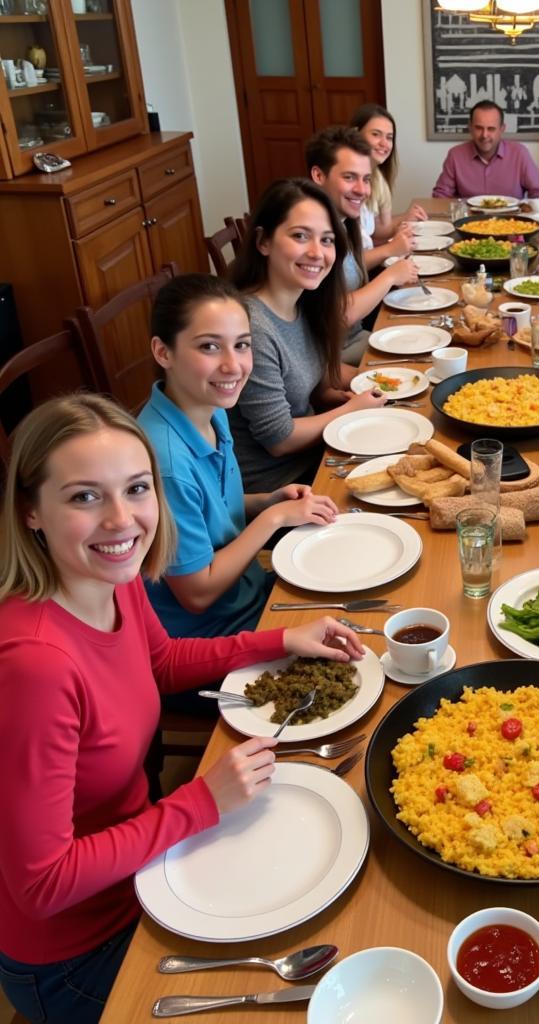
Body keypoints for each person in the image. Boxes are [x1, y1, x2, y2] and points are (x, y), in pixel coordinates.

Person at [0, 394, 367, 1024]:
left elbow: (162, 663)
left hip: (150, 867)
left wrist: (282, 639)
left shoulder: (113, 581)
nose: (122, 520)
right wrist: (201, 803)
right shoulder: (33, 665)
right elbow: (41, 884)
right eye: (85, 497)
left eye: (136, 489)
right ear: (31, 510)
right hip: (82, 951)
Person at [139, 273, 339, 640]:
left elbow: (208, 507)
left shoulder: (210, 408)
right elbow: (198, 594)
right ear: (163, 352)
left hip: (251, 592)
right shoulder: (164, 464)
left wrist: (265, 501)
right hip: (218, 633)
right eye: (210, 347)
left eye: (242, 345)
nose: (233, 366)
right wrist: (274, 518)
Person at [228, 177, 386, 493]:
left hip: (315, 460)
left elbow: (308, 381)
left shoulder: (304, 303)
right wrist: (350, 410)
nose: (317, 252)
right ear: (263, 242)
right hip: (281, 488)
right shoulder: (253, 327)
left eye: (327, 240)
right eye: (301, 236)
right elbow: (280, 439)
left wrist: (355, 389)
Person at [306, 126, 420, 363]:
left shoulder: (345, 222)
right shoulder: (312, 235)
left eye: (366, 179)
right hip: (332, 357)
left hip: (356, 338)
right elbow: (338, 316)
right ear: (318, 176)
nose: (361, 190)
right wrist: (389, 277)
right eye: (349, 177)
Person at [431, 100, 539, 199]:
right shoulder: (455, 155)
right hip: (469, 223)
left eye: (491, 129)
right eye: (478, 128)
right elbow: (441, 196)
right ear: (470, 127)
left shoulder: (519, 153)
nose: (484, 135)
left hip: (511, 223)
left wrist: (529, 213)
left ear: (502, 129)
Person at [350, 103, 427, 246]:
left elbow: (378, 230)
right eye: (375, 134)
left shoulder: (378, 177)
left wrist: (407, 218)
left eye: (389, 137)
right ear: (355, 134)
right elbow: (354, 258)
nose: (384, 144)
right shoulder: (347, 186)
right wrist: (392, 247)